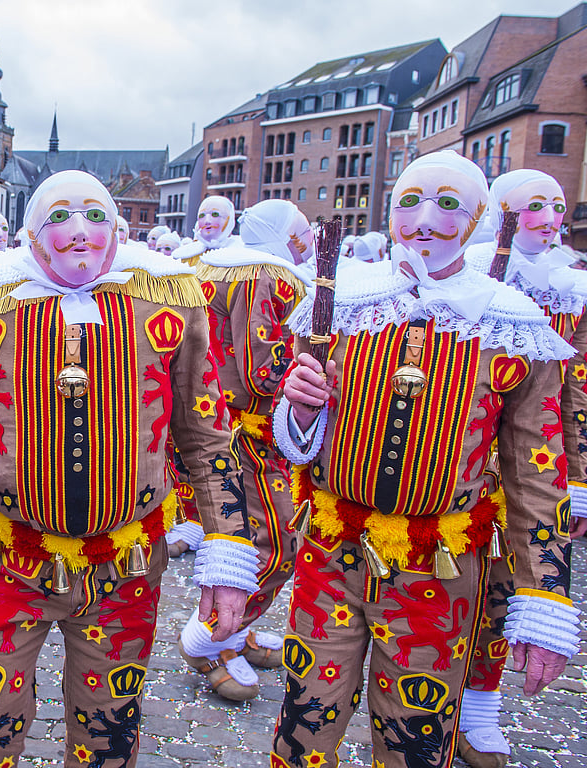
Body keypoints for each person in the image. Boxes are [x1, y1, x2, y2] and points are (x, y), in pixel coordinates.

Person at [0, 170, 257, 766]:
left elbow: (206, 435)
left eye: (96, 216)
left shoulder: (168, 300)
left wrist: (227, 559)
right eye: (60, 218)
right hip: (7, 557)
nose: (80, 232)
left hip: (126, 567)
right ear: (30, 234)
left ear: (118, 229)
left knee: (109, 733)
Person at [270, 151, 578, 768]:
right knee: (306, 713)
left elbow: (536, 466)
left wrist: (545, 595)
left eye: (448, 204)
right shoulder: (340, 302)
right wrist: (300, 413)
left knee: (416, 731)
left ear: (476, 219)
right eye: (410, 201)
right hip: (331, 551)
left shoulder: (509, 322)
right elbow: (299, 434)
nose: (425, 219)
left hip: (440, 565)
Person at [458, 168, 587, 768]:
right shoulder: (464, 272)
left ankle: (480, 704)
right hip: (461, 464)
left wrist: (577, 479)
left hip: (533, 463)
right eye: (530, 205)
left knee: (508, 590)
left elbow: (576, 391)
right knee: (446, 587)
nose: (548, 216)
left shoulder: (573, 286)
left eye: (556, 205)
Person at [176, 197, 315, 701]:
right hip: (251, 433)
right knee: (272, 543)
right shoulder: (269, 277)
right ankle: (210, 639)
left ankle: (231, 631)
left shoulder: (214, 267)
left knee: (251, 537)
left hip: (219, 425)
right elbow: (265, 368)